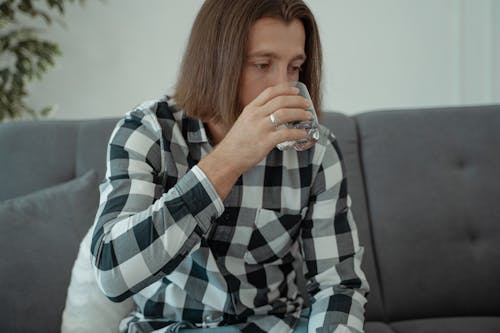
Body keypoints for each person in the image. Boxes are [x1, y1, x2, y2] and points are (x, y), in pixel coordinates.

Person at [91, 0, 369, 332]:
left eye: (294, 67)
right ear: (216, 62)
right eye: (263, 64)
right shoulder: (148, 132)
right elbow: (112, 275)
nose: (283, 87)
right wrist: (228, 160)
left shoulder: (317, 151)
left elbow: (337, 285)